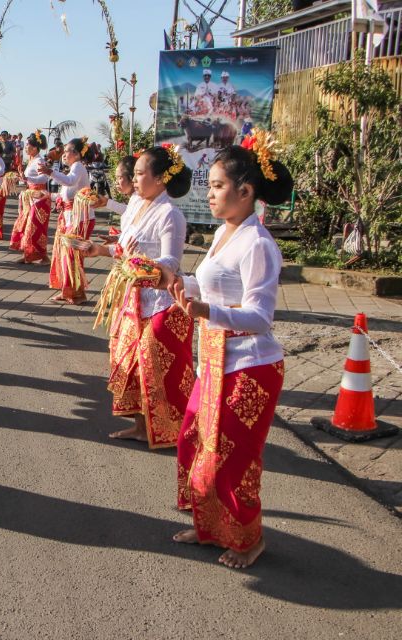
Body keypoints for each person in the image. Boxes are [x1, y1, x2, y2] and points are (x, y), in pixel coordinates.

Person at [166, 137, 292, 570]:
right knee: (192, 442)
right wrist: (185, 285)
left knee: (232, 457)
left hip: (252, 364)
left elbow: (260, 315)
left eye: (218, 186)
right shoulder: (224, 232)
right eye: (210, 185)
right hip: (216, 358)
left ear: (246, 192)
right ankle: (209, 526)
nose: (210, 193)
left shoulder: (258, 243)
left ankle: (248, 539)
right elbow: (212, 283)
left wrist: (206, 310)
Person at [77, 145, 194, 448]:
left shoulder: (171, 214)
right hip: (132, 298)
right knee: (129, 363)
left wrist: (140, 267)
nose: (135, 179)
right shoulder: (137, 204)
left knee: (154, 368)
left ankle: (168, 429)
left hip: (160, 304)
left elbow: (171, 262)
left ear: (161, 178)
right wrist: (99, 249)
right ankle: (141, 426)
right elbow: (125, 248)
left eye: (141, 174)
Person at [41, 138, 93, 303]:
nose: (64, 154)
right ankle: (69, 291)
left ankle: (75, 292)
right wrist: (49, 196)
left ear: (77, 154)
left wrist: (50, 173)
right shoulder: (72, 170)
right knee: (67, 256)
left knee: (72, 256)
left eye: (67, 151)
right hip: (71, 218)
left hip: (80, 218)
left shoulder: (77, 167)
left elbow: (69, 181)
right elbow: (66, 194)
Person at [9, 131, 51, 264]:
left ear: (34, 147)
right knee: (27, 225)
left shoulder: (39, 160)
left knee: (35, 228)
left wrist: (28, 178)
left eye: (27, 145)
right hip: (31, 197)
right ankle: (29, 255)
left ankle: (42, 256)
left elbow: (44, 177)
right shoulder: (32, 160)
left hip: (39, 197)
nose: (25, 148)